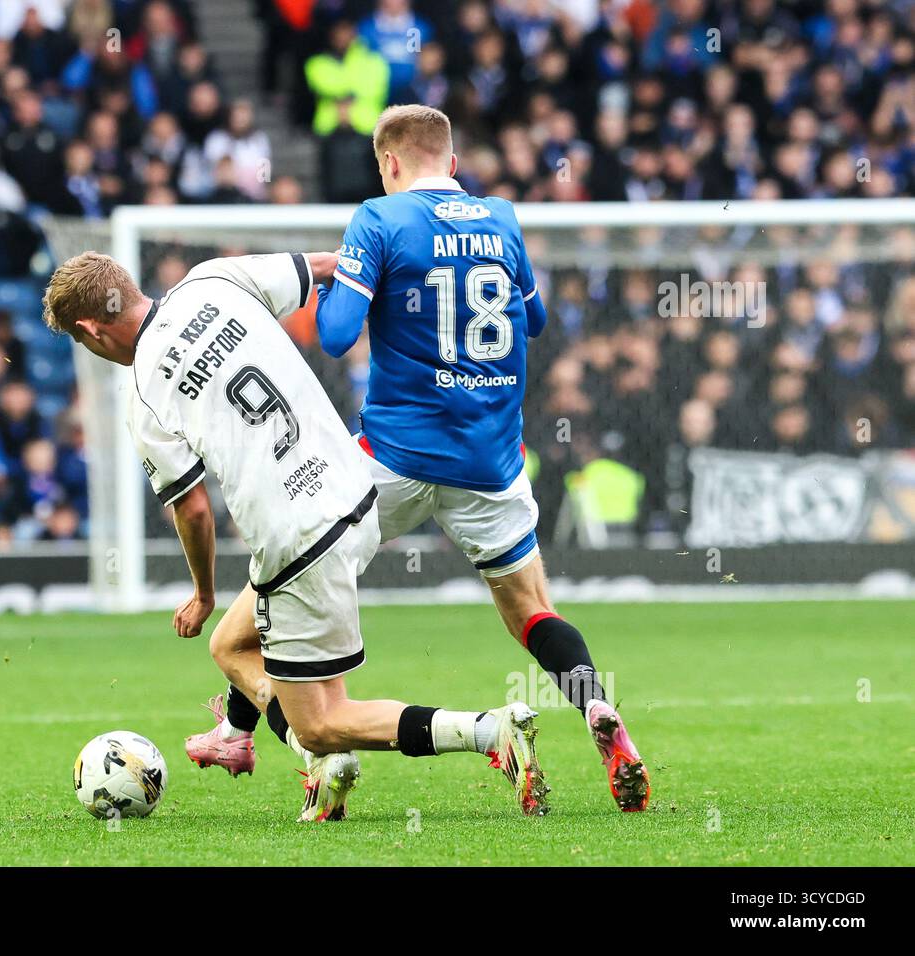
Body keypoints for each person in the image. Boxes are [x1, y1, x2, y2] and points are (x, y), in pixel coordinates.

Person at [194, 105, 650, 813]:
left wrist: (356, 284)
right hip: (491, 462)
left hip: (391, 462)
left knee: (263, 604)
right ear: (453, 163)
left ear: (391, 165)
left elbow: (340, 335)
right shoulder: (500, 217)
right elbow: (534, 320)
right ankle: (595, 706)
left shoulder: (378, 219)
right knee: (532, 609)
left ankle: (262, 734)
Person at [42, 249, 549, 822]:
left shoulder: (143, 397)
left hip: (297, 538)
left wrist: (203, 593)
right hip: (358, 494)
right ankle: (296, 758)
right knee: (231, 647)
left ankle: (489, 732)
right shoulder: (215, 279)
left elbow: (194, 510)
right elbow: (337, 263)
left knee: (325, 721)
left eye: (83, 344)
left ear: (89, 329)